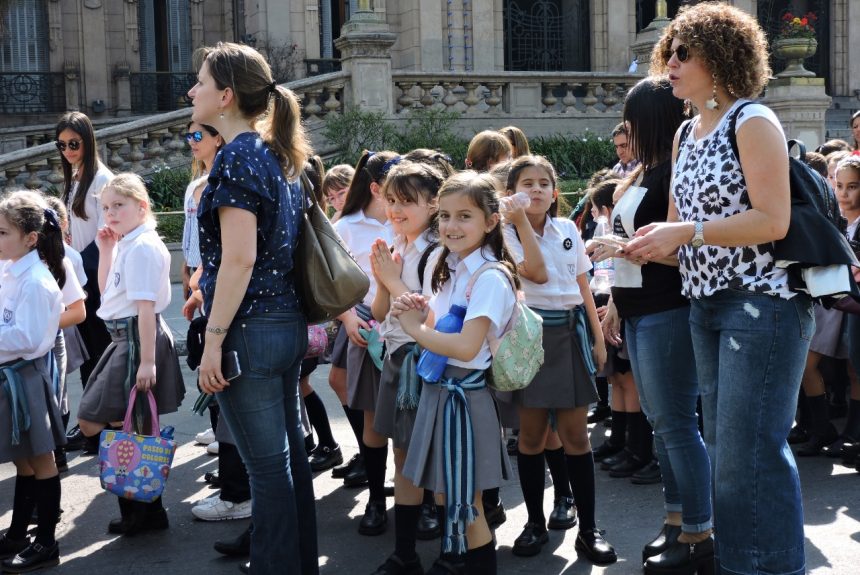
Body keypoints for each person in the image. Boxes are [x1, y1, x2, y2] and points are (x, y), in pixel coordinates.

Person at [626, 5, 813, 574]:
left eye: (686, 51)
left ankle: (773, 567)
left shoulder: (752, 120)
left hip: (762, 303)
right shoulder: (687, 130)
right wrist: (640, 245)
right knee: (729, 455)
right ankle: (738, 562)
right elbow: (683, 229)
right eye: (670, 52)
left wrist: (687, 231)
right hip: (704, 302)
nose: (672, 61)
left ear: (722, 57)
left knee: (749, 453)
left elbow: (773, 220)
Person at [188, 41, 316, 575]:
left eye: (199, 82)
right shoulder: (273, 152)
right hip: (283, 325)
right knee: (285, 462)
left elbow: (238, 261)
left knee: (269, 470)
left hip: (250, 330)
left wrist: (212, 341)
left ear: (225, 96)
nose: (190, 91)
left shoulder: (239, 155)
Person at [596, 76, 713, 573]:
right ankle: (676, 521)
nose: (626, 129)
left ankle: (699, 531)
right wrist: (618, 303)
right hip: (640, 309)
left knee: (675, 425)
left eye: (633, 120)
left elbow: (687, 249)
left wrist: (623, 252)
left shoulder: (674, 171)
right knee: (663, 426)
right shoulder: (644, 171)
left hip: (669, 309)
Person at [392, 171, 515, 574]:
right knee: (448, 498)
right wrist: (415, 307)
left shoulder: (490, 276)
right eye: (444, 216)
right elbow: (443, 322)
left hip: (464, 398)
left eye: (464, 216)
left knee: (469, 507)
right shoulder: (453, 267)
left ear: (491, 221)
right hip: (442, 392)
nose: (451, 226)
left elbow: (465, 346)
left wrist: (415, 329)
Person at [501, 156, 616, 564]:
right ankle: (534, 522)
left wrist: (598, 338)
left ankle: (588, 529)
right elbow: (537, 275)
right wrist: (517, 222)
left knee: (576, 436)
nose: (536, 190)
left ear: (555, 191)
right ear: (510, 191)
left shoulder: (568, 228)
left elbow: (582, 285)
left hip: (571, 334)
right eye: (526, 183)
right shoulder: (504, 233)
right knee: (531, 437)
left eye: (544, 184)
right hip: (530, 334)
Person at [75, 173, 184, 535]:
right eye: (105, 207)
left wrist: (148, 360)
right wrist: (106, 250)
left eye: (118, 205)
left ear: (142, 206)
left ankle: (145, 512)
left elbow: (145, 309)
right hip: (122, 338)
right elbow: (107, 296)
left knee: (109, 421)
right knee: (125, 426)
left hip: (136, 339)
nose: (110, 213)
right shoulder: (128, 242)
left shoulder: (141, 245)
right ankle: (145, 511)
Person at [367, 161, 445, 574]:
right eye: (391, 200)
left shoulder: (438, 250)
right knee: (402, 456)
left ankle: (452, 551)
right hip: (398, 358)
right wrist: (384, 280)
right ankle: (406, 551)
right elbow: (382, 313)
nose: (396, 210)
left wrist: (394, 280)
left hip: (426, 361)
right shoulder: (399, 245)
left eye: (407, 202)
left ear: (433, 204)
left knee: (436, 457)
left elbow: (432, 319)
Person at [0, 191, 66, 573]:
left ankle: (46, 542)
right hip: (11, 376)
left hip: (26, 377)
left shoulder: (37, 281)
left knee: (41, 460)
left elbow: (25, 338)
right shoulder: (11, 270)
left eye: (4, 232)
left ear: (30, 238)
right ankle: (16, 534)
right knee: (23, 460)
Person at [332, 150, 396, 533]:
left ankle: (418, 500)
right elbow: (330, 283)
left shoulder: (412, 222)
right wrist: (348, 317)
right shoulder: (346, 227)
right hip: (366, 322)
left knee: (408, 419)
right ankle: (375, 496)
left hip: (408, 326)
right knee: (371, 416)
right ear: (374, 187)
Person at [55, 111, 113, 453]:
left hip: (94, 276)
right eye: (61, 145)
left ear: (87, 142)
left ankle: (98, 427)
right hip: (79, 274)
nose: (67, 150)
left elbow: (107, 233)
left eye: (73, 144)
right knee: (88, 352)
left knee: (97, 351)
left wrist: (83, 272)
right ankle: (92, 426)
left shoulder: (102, 180)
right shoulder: (76, 177)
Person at [40, 195, 88, 474]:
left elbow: (78, 308)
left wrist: (41, 324)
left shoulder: (62, 261)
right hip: (23, 348)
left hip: (51, 342)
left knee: (54, 403)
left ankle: (55, 460)